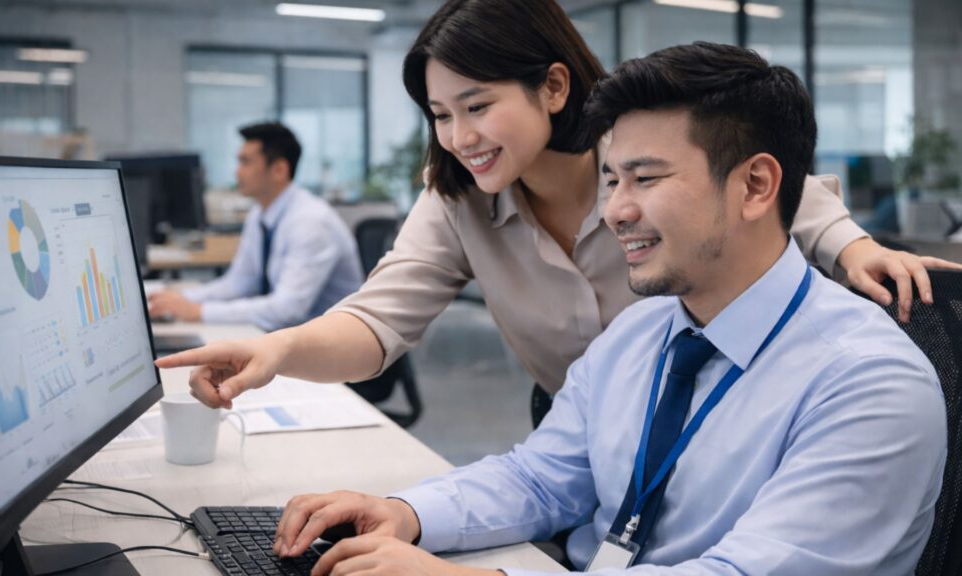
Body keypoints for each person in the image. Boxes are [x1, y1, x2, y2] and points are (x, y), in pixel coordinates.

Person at [270, 42, 947, 576]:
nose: (616, 211)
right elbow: (542, 479)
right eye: (612, 179)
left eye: (646, 178)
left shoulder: (869, 382)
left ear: (757, 186)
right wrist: (403, 513)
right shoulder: (642, 331)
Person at [156, 0, 957, 426]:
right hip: (579, 435)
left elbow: (772, 190)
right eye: (439, 114)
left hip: (713, 421)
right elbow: (376, 324)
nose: (459, 137)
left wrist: (853, 250)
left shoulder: (635, 151)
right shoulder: (460, 203)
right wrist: (277, 352)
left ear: (552, 86)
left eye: (477, 105)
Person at [147, 122, 362, 332]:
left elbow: (288, 309)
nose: (237, 173)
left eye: (245, 162)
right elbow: (240, 283)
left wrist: (200, 311)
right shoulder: (261, 213)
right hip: (293, 338)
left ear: (279, 170)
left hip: (332, 351)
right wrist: (180, 301)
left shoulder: (311, 222)